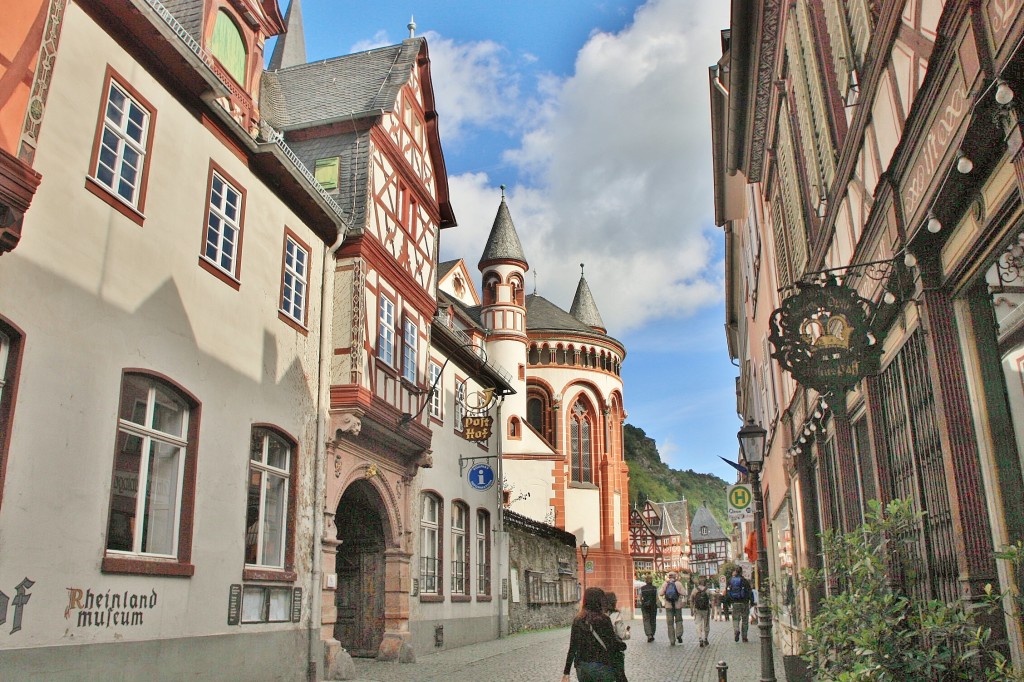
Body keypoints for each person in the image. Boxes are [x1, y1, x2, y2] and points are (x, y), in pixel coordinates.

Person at [562, 587, 626, 682]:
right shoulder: (604, 620)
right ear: (600, 601)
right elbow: (611, 644)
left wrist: (566, 673)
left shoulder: (578, 620)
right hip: (601, 666)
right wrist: (622, 645)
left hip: (583, 668)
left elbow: (572, 648)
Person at [603, 591, 629, 682]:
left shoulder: (600, 614)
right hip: (615, 649)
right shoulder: (616, 615)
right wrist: (628, 633)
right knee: (620, 676)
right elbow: (622, 634)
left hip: (602, 649)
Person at [725, 567, 753, 642]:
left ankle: (736, 630)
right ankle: (744, 637)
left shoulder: (730, 581)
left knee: (735, 619)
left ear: (735, 572)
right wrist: (752, 602)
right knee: (745, 620)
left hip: (735, 603)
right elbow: (750, 592)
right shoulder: (745, 581)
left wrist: (727, 603)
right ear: (741, 572)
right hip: (744, 603)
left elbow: (727, 592)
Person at [658, 571, 685, 646]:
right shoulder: (678, 583)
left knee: (670, 623)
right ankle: (679, 634)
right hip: (677, 606)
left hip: (668, 606)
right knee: (679, 621)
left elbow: (660, 593)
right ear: (675, 576)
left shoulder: (665, 584)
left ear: (669, 577)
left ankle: (672, 640)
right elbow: (684, 593)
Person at [690, 577, 712, 647]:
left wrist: (691, 610)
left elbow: (691, 600)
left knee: (698, 624)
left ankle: (700, 638)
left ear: (699, 582)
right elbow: (712, 600)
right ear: (705, 583)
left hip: (697, 609)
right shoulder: (708, 590)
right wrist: (713, 610)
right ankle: (706, 638)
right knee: (706, 624)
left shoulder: (695, 590)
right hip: (706, 609)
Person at [638, 575, 659, 642]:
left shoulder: (642, 588)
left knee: (646, 620)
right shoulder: (655, 588)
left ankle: (649, 635)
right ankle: (652, 634)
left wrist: (643, 603)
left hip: (645, 607)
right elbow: (657, 598)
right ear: (652, 580)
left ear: (646, 581)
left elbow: (640, 598)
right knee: (653, 620)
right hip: (653, 606)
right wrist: (660, 606)